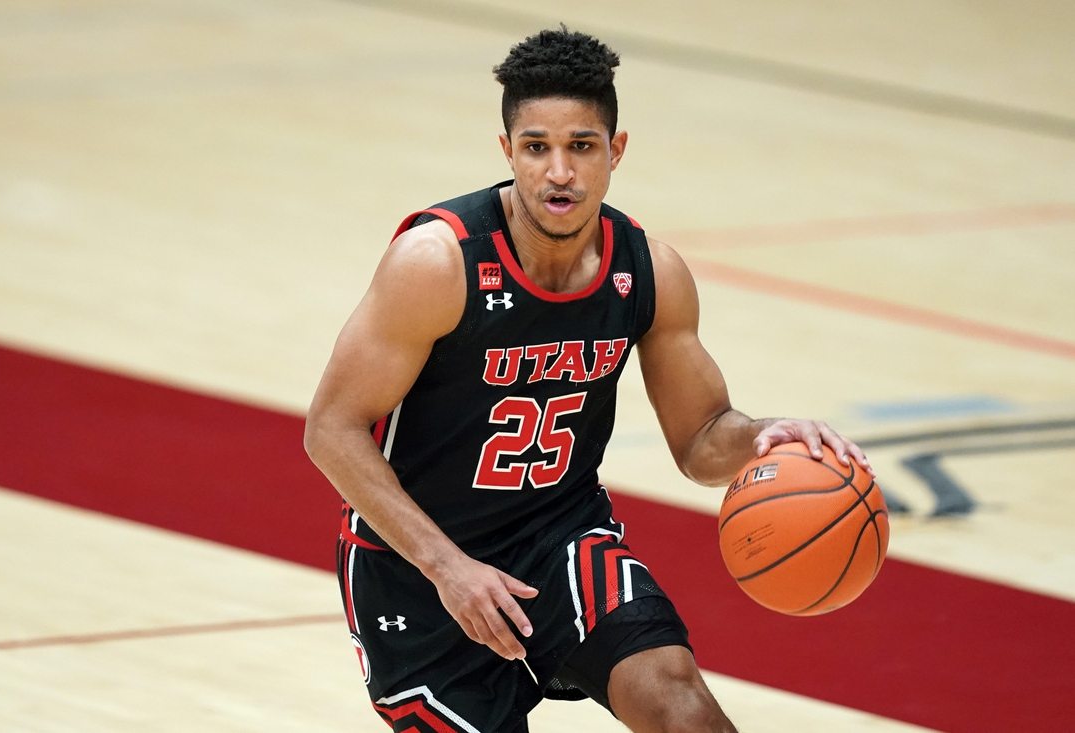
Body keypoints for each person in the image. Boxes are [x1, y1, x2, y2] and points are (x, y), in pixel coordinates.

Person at [305, 26, 872, 733]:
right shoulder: (437, 263)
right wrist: (449, 568)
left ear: (617, 150)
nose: (560, 172)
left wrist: (765, 437)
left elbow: (699, 438)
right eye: (537, 147)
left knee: (681, 704)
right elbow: (331, 429)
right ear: (507, 150)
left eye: (582, 146)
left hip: (558, 533)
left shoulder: (649, 271)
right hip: (417, 564)